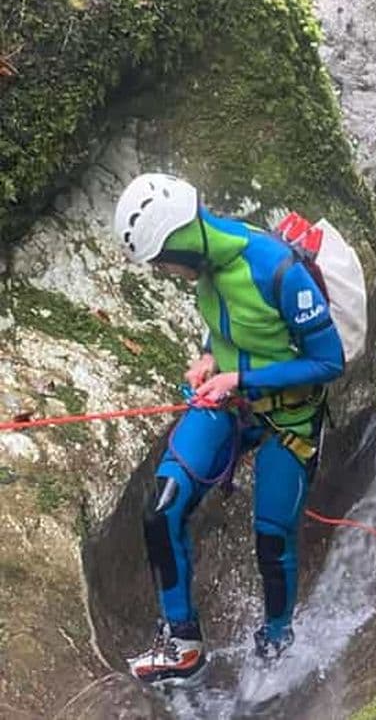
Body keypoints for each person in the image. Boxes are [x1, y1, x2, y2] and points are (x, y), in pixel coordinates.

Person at [112, 173, 345, 684]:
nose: (165, 272)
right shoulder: (210, 267)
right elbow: (224, 321)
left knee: (271, 537)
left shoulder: (275, 268)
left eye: (163, 261)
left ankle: (277, 638)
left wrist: (241, 377)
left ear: (182, 243)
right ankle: (183, 642)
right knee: (162, 507)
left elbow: (330, 362)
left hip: (288, 417)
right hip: (230, 401)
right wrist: (204, 359)